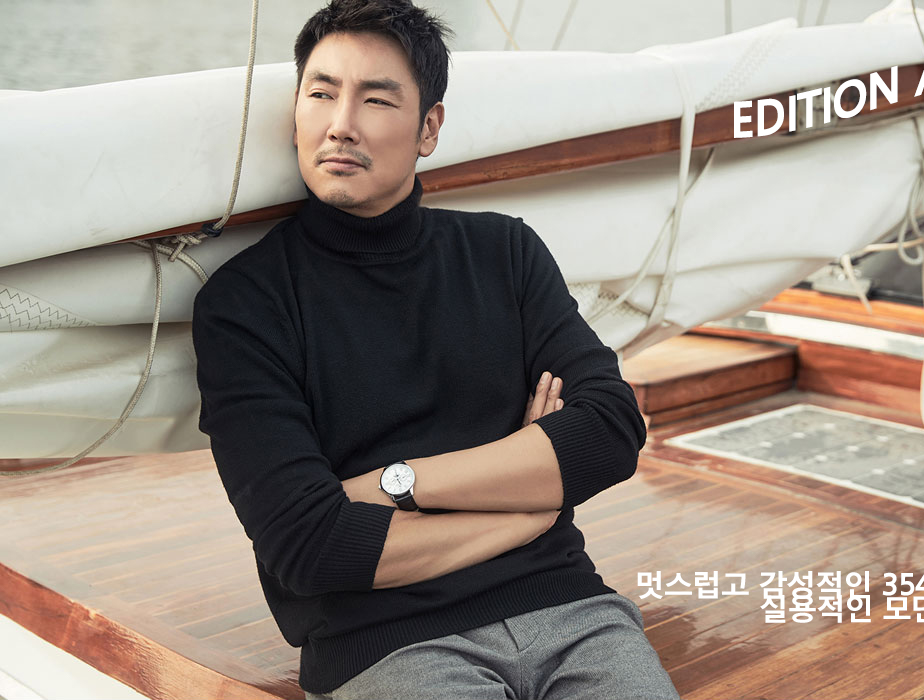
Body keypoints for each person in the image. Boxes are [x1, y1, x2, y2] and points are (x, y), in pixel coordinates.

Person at [190, 1, 681, 698]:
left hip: (570, 609)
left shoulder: (504, 252)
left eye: (376, 99)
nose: (341, 124)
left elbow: (609, 432)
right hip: (384, 644)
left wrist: (398, 483)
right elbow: (307, 545)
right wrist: (531, 506)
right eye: (321, 93)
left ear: (429, 128)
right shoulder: (246, 303)